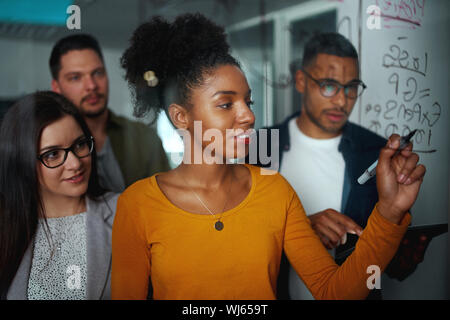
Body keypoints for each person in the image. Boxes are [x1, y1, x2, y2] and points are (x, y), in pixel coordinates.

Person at [111, 14, 425, 300]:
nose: (247, 115)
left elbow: (336, 292)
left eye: (248, 101)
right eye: (225, 104)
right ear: (180, 117)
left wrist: (389, 212)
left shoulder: (275, 190)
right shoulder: (138, 205)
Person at [259, 32, 430, 299]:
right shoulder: (262, 145)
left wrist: (403, 255)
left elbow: (390, 269)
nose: (341, 100)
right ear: (301, 81)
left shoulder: (378, 154)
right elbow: (239, 237)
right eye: (329, 85)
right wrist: (300, 231)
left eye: (351, 87)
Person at [0, 91, 118, 300]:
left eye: (80, 144)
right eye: (52, 154)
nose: (75, 163)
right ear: (22, 162)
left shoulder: (124, 211)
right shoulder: (7, 230)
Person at [49, 34, 170, 192]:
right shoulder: (49, 147)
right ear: (57, 87)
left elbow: (165, 202)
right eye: (76, 77)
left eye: (97, 73)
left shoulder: (142, 137)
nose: (91, 85)